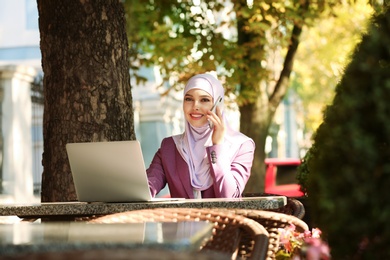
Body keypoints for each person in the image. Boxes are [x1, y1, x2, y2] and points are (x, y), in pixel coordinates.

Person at [147, 73, 255, 199]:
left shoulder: (241, 145)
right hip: (181, 219)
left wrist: (218, 146)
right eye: (188, 99)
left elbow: (230, 198)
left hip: (221, 219)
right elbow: (148, 186)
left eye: (204, 100)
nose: (195, 106)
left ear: (218, 105)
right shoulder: (170, 146)